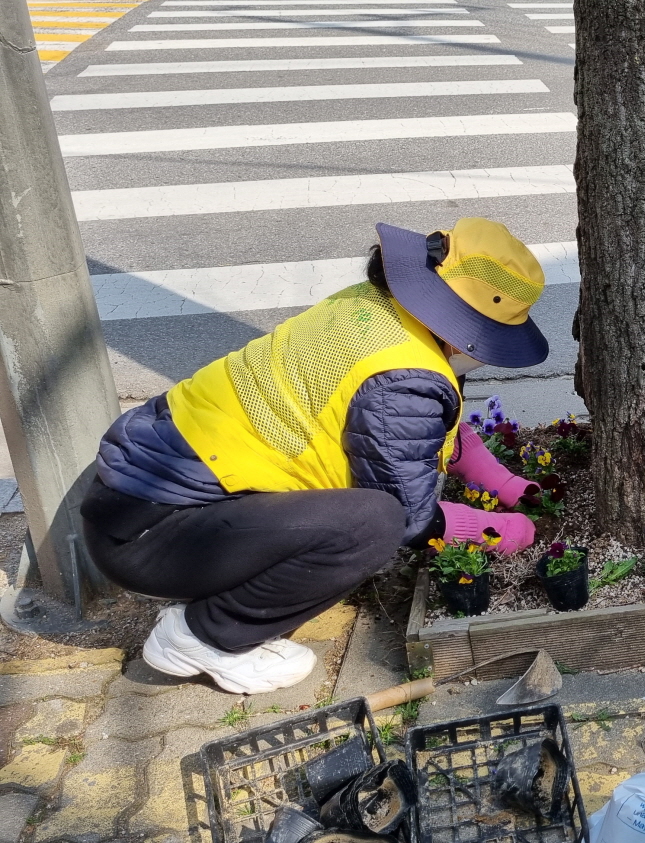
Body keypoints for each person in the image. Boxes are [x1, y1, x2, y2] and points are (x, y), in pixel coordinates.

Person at [80, 218, 548, 694]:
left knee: (366, 517)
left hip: (134, 502)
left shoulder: (371, 310)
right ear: (467, 323)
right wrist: (494, 531)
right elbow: (410, 517)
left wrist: (501, 482)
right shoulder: (407, 376)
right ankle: (205, 636)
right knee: (374, 523)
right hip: (155, 541)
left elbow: (417, 430)